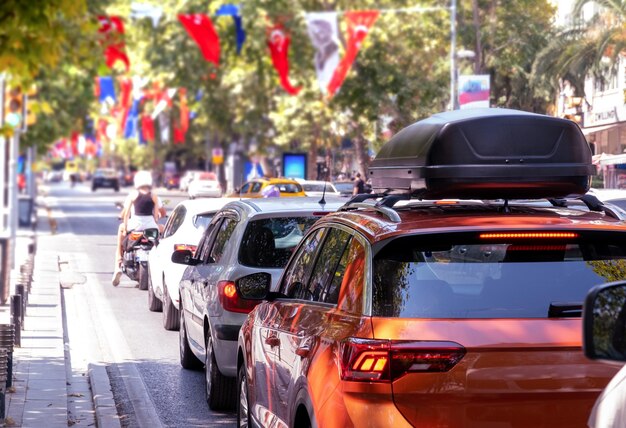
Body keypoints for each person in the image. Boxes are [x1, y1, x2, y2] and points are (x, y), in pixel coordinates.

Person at [112, 170, 161, 286]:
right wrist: (154, 224)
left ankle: (118, 264)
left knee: (120, 229)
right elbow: (156, 215)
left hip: (135, 224)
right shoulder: (154, 196)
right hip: (150, 226)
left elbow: (126, 213)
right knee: (163, 230)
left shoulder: (133, 195)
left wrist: (125, 228)